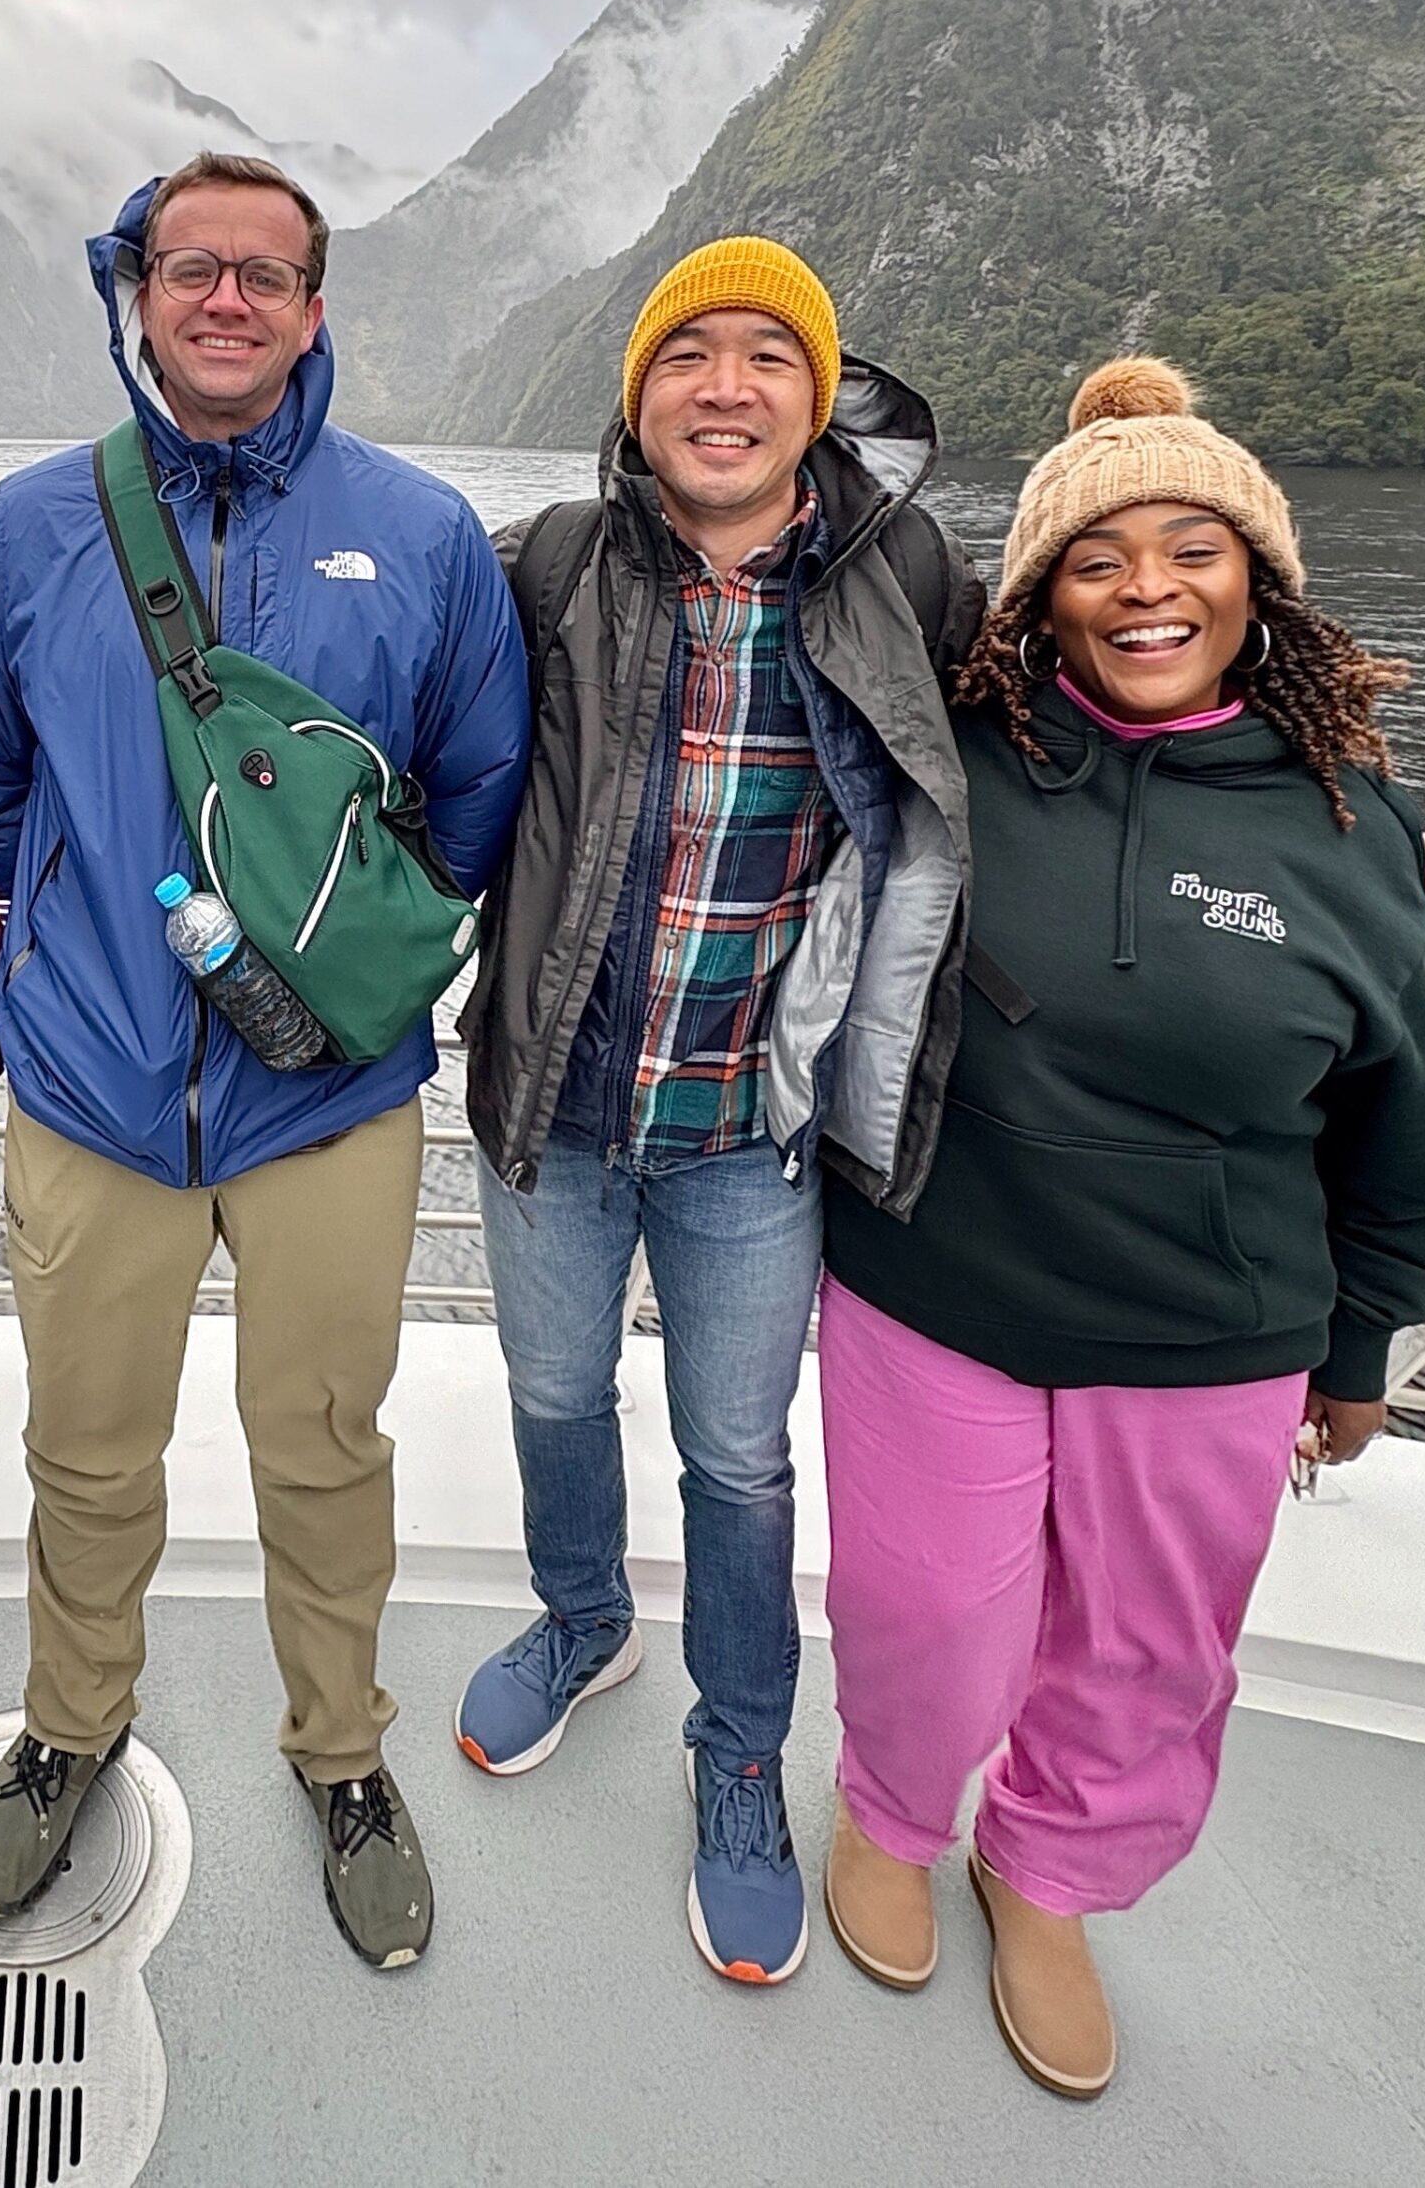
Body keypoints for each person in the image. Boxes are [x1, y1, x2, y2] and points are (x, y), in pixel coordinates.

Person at [815, 357, 1425, 2099]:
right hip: (933, 1279)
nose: (1150, 588)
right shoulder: (954, 758)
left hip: (1213, 1324)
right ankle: (892, 1810)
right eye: (1101, 558)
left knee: (1148, 1652)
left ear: (1261, 582)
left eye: (1196, 548)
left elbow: (1411, 1104)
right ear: (1040, 598)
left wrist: (1367, 1340)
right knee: (923, 1607)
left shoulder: (1351, 822)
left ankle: (1045, 1876)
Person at [0, 153, 531, 1969]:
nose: (228, 300)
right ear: (141, 289)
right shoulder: (32, 530)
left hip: (332, 1099)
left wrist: (337, 959)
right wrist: (95, 921)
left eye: (270, 274)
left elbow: (478, 790)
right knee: (88, 1450)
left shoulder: (418, 534)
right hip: (96, 1090)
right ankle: (70, 1725)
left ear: (316, 308)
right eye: (195, 267)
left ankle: (339, 1751)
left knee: (325, 1444)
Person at [454, 238, 980, 1984]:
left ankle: (739, 1750)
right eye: (691, 354)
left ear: (820, 397)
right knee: (547, 1387)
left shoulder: (905, 577)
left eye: (769, 354)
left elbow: (1057, 754)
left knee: (741, 1460)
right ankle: (585, 1617)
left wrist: (1338, 794)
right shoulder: (549, 568)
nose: (726, 387)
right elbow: (416, 762)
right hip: (559, 1104)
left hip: (753, 1129)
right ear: (639, 395)